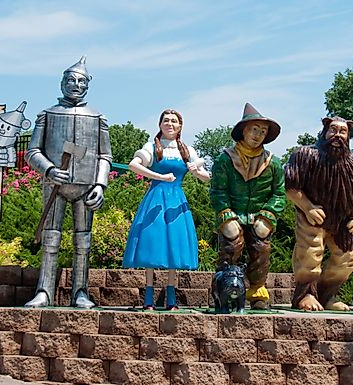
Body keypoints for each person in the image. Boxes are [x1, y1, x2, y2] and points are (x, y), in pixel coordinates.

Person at [13, 56, 111, 309]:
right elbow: (33, 150)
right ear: (62, 83)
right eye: (70, 80)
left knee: (83, 241)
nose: (75, 85)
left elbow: (105, 155)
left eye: (80, 81)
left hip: (86, 187)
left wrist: (100, 184)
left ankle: (80, 291)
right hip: (55, 186)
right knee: (50, 238)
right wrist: (49, 169)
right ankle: (44, 290)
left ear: (87, 85)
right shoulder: (47, 115)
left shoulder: (98, 117)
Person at [285, 116, 353, 311]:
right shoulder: (305, 155)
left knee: (349, 257)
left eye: (342, 131)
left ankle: (325, 295)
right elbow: (290, 185)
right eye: (333, 130)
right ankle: (305, 294)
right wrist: (307, 206)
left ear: (348, 135)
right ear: (324, 131)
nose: (337, 135)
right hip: (312, 215)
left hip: (344, 221)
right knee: (310, 253)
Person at [122, 110, 210, 309]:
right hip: (155, 200)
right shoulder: (152, 147)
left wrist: (197, 171)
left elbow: (205, 177)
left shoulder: (187, 150)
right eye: (166, 120)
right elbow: (133, 165)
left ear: (180, 126)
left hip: (177, 202)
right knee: (153, 242)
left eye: (174, 121)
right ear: (160, 124)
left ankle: (171, 295)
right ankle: (148, 295)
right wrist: (159, 177)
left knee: (173, 244)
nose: (170, 124)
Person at [210, 103, 285, 310]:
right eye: (254, 129)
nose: (258, 135)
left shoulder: (273, 163)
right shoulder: (225, 160)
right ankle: (222, 290)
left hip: (259, 216)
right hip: (233, 214)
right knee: (231, 246)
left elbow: (279, 194)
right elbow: (217, 191)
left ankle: (257, 291)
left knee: (261, 248)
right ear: (243, 130)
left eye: (263, 132)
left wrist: (268, 215)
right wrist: (226, 216)